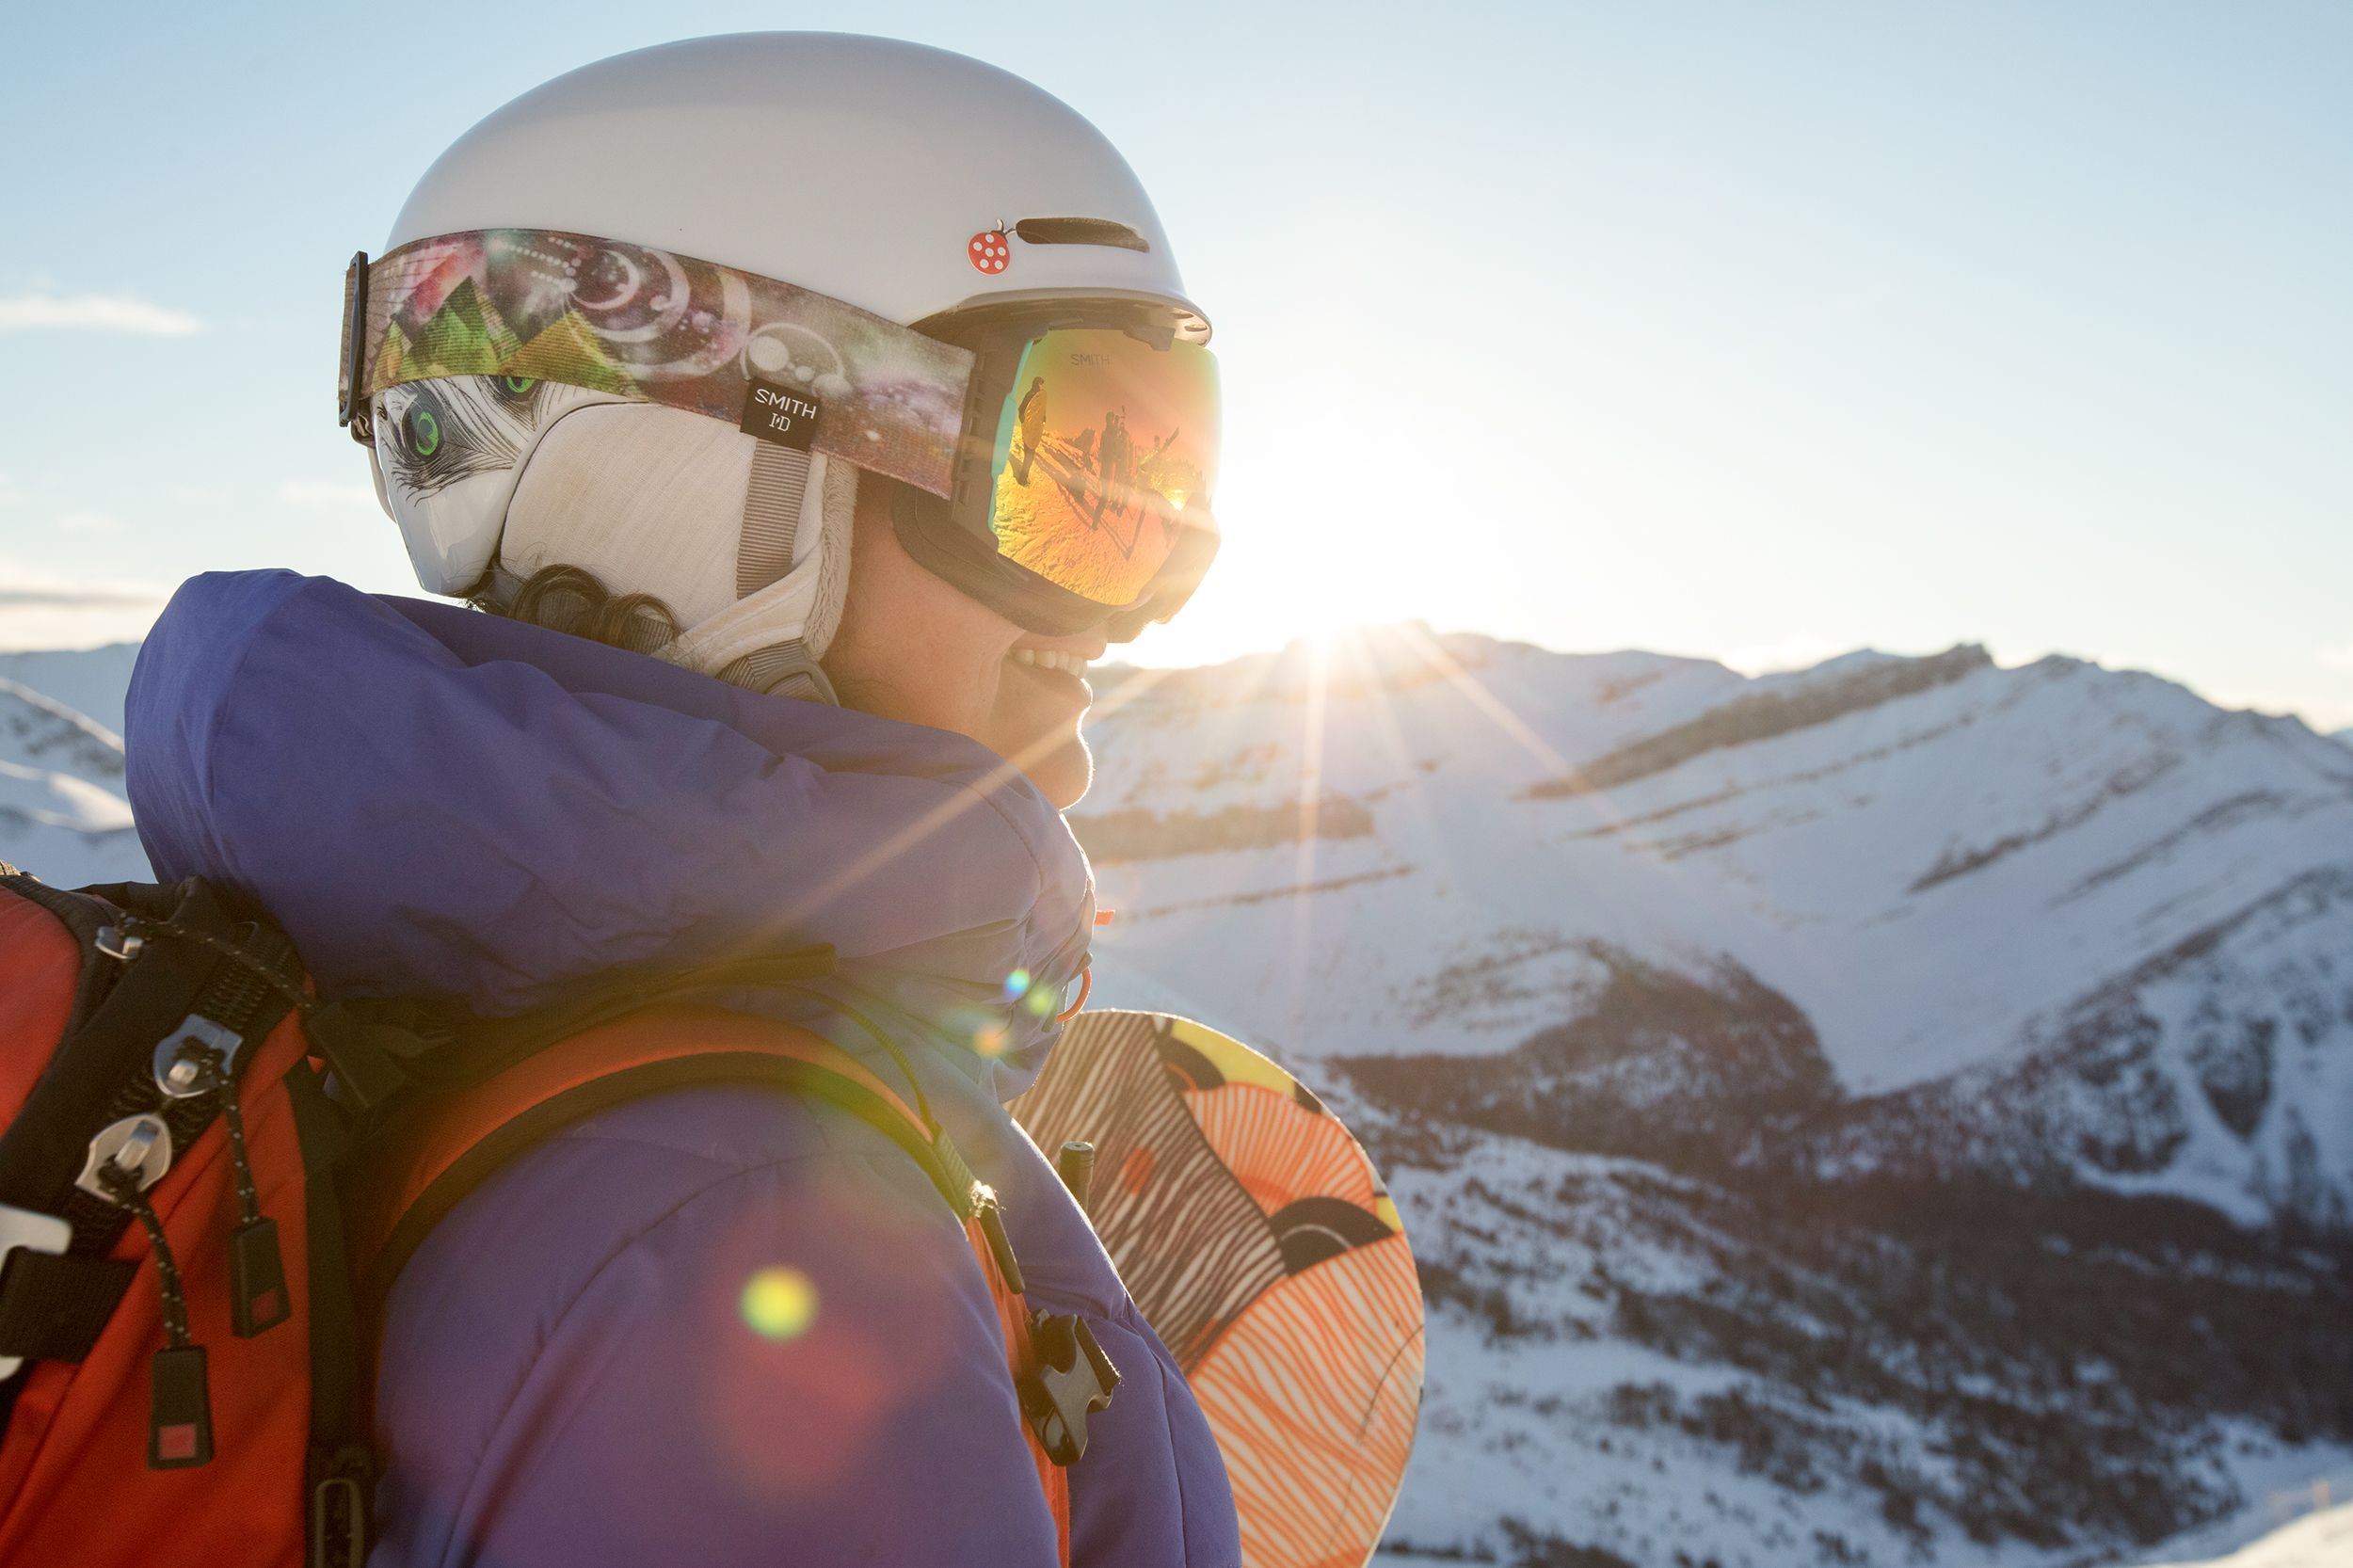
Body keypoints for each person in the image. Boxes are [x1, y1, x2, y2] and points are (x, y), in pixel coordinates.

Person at [122, 34, 1235, 1568]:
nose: (1137, 599)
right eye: (1066, 469)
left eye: (1159, 482)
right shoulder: (760, 1235)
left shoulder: (423, 1029)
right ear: (700, 479)